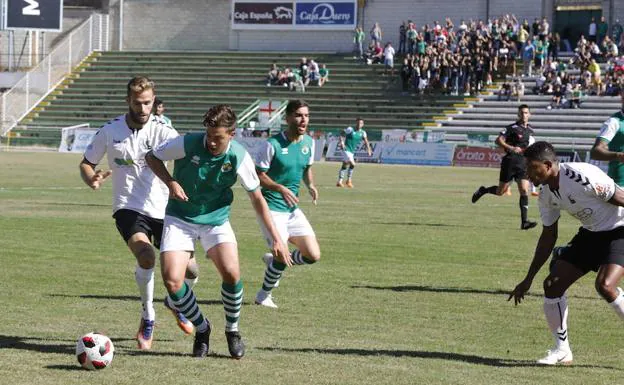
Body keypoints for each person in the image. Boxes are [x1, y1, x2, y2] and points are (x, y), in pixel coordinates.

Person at [145, 104, 289, 358]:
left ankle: (232, 331)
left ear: (231, 134)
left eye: (218, 138)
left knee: (232, 274)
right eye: (209, 136)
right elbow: (151, 156)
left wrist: (276, 239)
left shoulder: (239, 156)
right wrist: (171, 181)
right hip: (180, 217)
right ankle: (202, 328)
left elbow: (257, 200)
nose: (211, 142)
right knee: (172, 280)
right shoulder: (188, 143)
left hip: (216, 220)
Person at [79, 76, 197, 350]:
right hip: (128, 208)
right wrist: (91, 178)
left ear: (153, 101)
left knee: (191, 269)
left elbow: (186, 154)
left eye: (148, 103)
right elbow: (86, 163)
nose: (143, 109)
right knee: (146, 257)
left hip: (165, 209)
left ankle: (175, 300)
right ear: (128, 101)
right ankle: (148, 316)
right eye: (137, 103)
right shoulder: (109, 131)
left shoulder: (164, 130)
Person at [509, 141, 624, 365]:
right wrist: (528, 279)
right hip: (591, 233)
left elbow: (621, 199)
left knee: (605, 285)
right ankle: (562, 350)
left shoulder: (582, 176)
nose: (528, 173)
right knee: (552, 285)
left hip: (621, 229)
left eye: (532, 167)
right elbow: (548, 237)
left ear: (548, 165)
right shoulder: (545, 195)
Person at [253, 99, 321, 309]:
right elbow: (258, 176)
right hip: (272, 208)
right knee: (281, 254)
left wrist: (310, 185)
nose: (304, 120)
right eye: (299, 115)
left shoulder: (309, 143)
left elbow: (307, 167)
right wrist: (280, 188)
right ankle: (263, 295)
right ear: (288, 118)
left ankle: (273, 261)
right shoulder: (272, 145)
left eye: (307, 116)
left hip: (292, 210)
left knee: (313, 255)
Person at [471, 104, 538, 230]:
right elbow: (498, 140)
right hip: (510, 161)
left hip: (523, 163)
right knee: (500, 192)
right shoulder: (512, 128)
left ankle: (524, 222)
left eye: (526, 112)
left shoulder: (530, 131)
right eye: (522, 113)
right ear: (518, 114)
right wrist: (511, 148)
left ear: (530, 114)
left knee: (524, 190)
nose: (524, 115)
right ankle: (483, 190)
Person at [590, 88, 624, 186]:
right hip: (620, 185)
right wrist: (618, 155)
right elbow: (595, 152)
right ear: (622, 96)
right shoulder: (614, 122)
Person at [336, 118, 372, 188]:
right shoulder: (350, 129)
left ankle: (339, 182)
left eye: (361, 123)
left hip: (351, 151)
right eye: (358, 123)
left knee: (345, 164)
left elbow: (366, 141)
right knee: (352, 163)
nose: (359, 124)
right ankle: (349, 181)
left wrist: (369, 149)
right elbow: (341, 133)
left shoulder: (363, 133)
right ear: (356, 123)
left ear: (363, 124)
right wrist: (342, 142)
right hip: (345, 149)